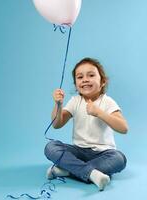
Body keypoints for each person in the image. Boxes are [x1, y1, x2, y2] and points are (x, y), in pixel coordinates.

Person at [44, 57, 128, 191]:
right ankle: (93, 174)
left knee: (119, 159)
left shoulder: (108, 102)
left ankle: (68, 170)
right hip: (78, 151)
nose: (85, 79)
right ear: (76, 84)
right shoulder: (75, 101)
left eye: (91, 75)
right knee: (51, 147)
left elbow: (123, 128)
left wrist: (99, 113)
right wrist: (58, 105)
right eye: (80, 77)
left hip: (103, 154)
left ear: (102, 82)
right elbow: (57, 124)